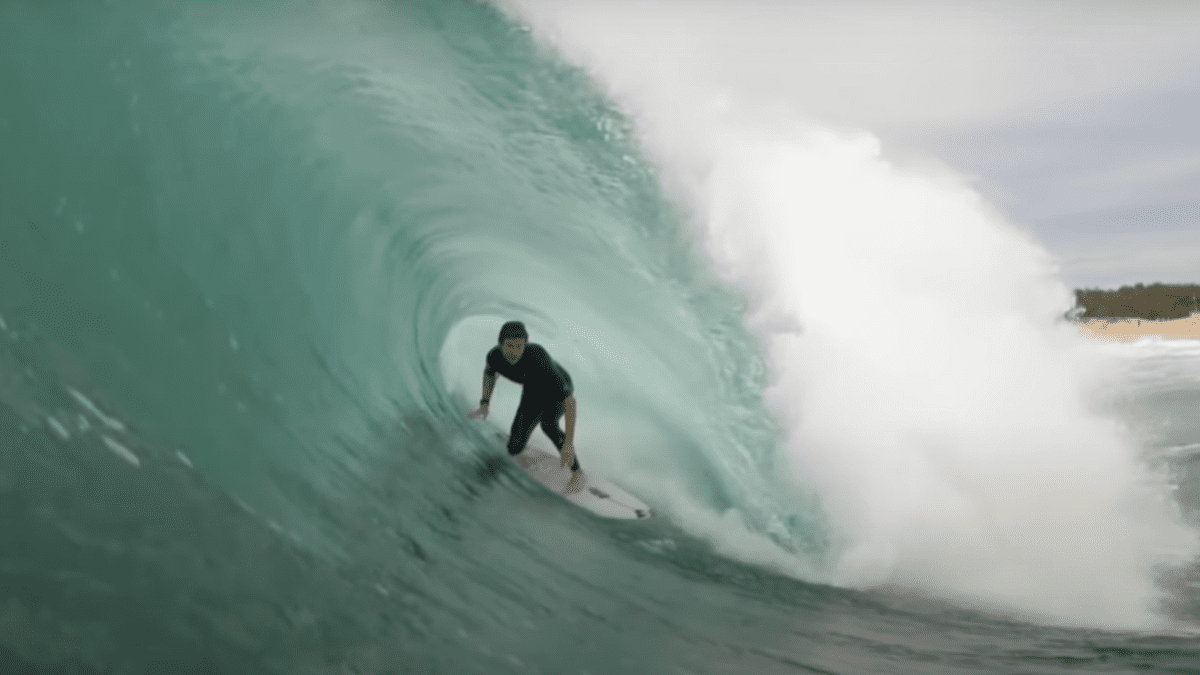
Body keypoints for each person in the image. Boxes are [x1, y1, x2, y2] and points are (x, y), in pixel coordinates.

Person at [468, 321, 581, 492]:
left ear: (525, 345)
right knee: (513, 448)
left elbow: (570, 401)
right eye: (510, 346)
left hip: (556, 391)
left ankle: (577, 473)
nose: (515, 351)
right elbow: (490, 374)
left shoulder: (538, 359)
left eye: (520, 346)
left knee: (549, 425)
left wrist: (569, 442)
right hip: (532, 392)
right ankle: (521, 443)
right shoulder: (495, 356)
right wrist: (484, 404)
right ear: (500, 344)